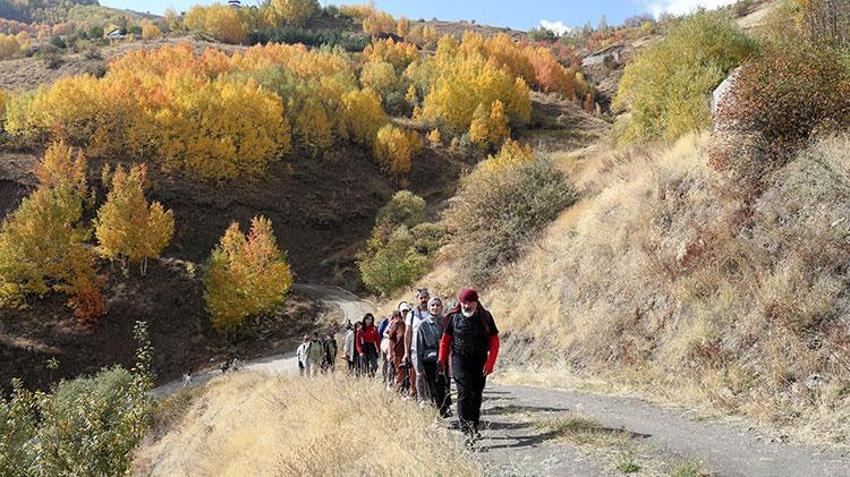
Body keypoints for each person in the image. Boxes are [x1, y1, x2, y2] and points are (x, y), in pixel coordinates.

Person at [438, 288, 499, 445]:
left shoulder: (485, 317)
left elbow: (494, 341)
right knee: (464, 392)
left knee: (476, 395)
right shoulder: (453, 317)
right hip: (459, 361)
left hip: (479, 361)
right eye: (463, 302)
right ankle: (466, 431)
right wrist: (441, 361)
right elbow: (445, 341)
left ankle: (474, 426)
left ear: (476, 302)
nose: (466, 305)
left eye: (469, 302)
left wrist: (490, 363)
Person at [414, 296, 450, 416]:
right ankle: (438, 410)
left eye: (438, 305)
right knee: (433, 387)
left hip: (443, 359)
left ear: (441, 307)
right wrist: (418, 367)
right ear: (429, 308)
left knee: (444, 385)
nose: (435, 307)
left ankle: (444, 408)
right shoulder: (422, 325)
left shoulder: (446, 322)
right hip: (429, 360)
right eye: (433, 305)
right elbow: (418, 347)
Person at [404, 289, 430, 399]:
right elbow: (408, 333)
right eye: (421, 298)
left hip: (431, 349)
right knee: (418, 374)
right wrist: (406, 352)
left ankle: (431, 398)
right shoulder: (412, 315)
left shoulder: (434, 311)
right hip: (416, 349)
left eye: (425, 297)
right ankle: (421, 399)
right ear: (417, 300)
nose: (424, 300)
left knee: (430, 374)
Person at [386, 310, 407, 392]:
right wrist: (390, 352)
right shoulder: (395, 325)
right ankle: (396, 388)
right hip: (397, 352)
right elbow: (391, 339)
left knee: (403, 371)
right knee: (398, 370)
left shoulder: (405, 325)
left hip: (405, 351)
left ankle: (401, 388)